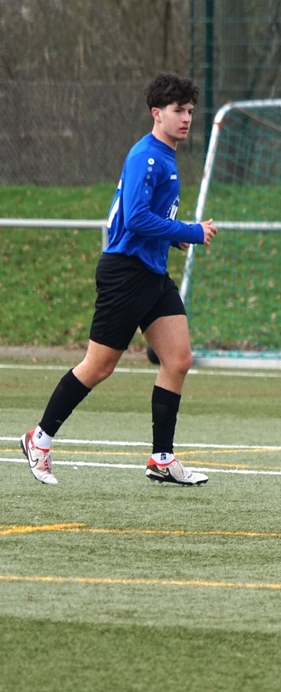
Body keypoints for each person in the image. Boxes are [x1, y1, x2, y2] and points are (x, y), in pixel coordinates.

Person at [19, 72, 217, 487]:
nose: (186, 118)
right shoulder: (147, 156)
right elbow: (136, 218)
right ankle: (38, 439)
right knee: (99, 366)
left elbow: (148, 219)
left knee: (178, 359)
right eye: (178, 111)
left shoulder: (165, 156)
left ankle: (161, 459)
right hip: (125, 274)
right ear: (156, 113)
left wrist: (173, 238)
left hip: (151, 273)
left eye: (190, 111)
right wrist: (189, 231)